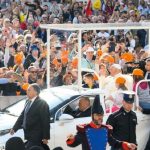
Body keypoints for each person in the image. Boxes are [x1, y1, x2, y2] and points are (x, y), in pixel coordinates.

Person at [66, 95, 137, 150]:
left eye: (101, 115)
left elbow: (114, 143)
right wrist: (71, 139)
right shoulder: (85, 129)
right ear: (92, 116)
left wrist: (127, 145)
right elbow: (74, 143)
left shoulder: (105, 129)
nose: (100, 117)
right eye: (97, 115)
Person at [10, 83, 50, 150]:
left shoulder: (42, 103)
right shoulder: (27, 101)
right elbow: (22, 116)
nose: (27, 91)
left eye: (29, 90)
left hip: (36, 135)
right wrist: (14, 128)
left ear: (36, 92)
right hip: (28, 134)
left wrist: (45, 137)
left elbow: (45, 121)